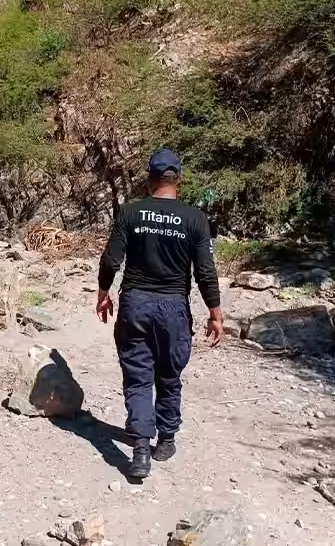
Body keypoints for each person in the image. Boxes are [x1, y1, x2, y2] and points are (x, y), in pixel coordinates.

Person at [96, 149, 225, 483]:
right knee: (169, 373)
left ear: (149, 178)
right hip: (173, 307)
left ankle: (140, 448)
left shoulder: (130, 213)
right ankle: (165, 439)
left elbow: (111, 259)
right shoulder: (194, 218)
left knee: (138, 375)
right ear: (177, 180)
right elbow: (205, 272)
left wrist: (103, 292)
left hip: (136, 302)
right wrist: (215, 313)